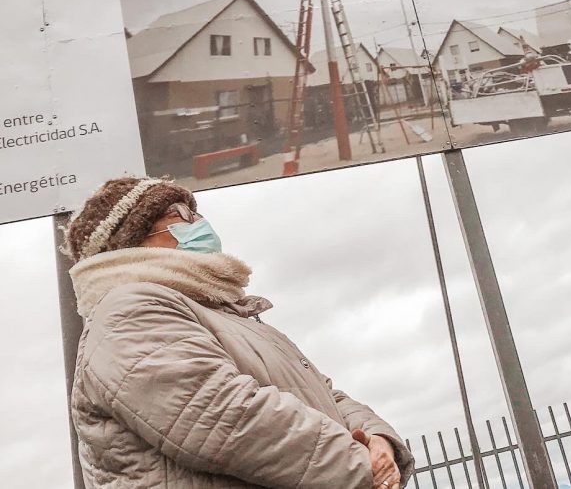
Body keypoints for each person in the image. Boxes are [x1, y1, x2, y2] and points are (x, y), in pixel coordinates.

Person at [64, 176, 414, 488]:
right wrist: (363, 468)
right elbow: (223, 416)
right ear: (132, 240)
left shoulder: (222, 314)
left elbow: (325, 394)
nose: (198, 222)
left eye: (196, 212)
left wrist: (377, 439)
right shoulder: (129, 310)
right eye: (179, 214)